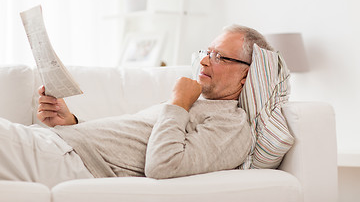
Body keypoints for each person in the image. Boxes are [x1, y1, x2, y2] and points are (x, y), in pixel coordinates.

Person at [0, 24, 273, 188]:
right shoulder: (196, 104)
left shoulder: (233, 126)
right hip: (58, 144)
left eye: (219, 57)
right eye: (206, 52)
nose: (203, 61)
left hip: (71, 161)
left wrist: (178, 102)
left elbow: (164, 166)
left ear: (247, 74)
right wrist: (70, 123)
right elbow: (131, 141)